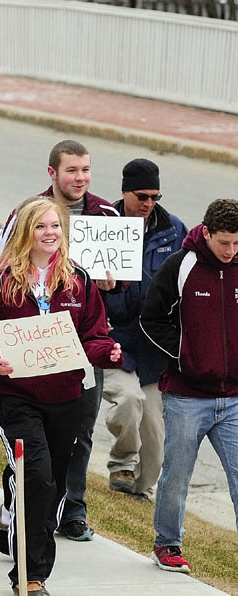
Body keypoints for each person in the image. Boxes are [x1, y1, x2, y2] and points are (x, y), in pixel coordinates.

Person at [0, 198, 122, 595]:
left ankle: (14, 512)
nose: (50, 233)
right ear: (24, 232)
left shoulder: (78, 281)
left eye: (55, 226)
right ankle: (31, 576)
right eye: (41, 226)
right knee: (35, 474)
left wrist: (108, 351)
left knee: (51, 482)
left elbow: (93, 336)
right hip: (16, 397)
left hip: (67, 397)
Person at [0, 140, 121, 542]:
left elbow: (109, 297)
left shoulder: (107, 215)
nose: (80, 177)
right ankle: (16, 505)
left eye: (86, 169)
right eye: (72, 170)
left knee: (79, 434)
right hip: (26, 363)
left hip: (79, 354)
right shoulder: (27, 213)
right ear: (52, 173)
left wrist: (110, 286)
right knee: (31, 450)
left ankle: (71, 511)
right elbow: (0, 274)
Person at [140, 198, 238, 573]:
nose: (230, 251)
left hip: (233, 397)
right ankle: (167, 543)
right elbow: (151, 319)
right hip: (186, 394)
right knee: (177, 474)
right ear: (207, 233)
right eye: (224, 242)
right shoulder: (181, 265)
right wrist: (185, 356)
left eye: (236, 243)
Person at [103, 159, 186, 499]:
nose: (149, 203)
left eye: (155, 195)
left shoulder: (174, 230)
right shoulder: (103, 225)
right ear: (125, 193)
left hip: (153, 347)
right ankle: (121, 463)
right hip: (113, 341)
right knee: (128, 400)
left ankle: (138, 488)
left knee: (155, 432)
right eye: (141, 195)